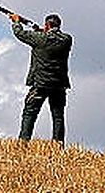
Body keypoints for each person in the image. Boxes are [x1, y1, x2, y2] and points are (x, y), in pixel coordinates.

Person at [9, 13, 72, 145]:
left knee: (29, 114)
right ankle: (58, 145)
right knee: (58, 116)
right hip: (59, 85)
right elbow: (52, 38)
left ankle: (23, 143)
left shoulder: (39, 39)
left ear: (47, 25)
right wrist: (41, 31)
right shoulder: (67, 40)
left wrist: (16, 22)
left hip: (40, 84)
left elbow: (20, 34)